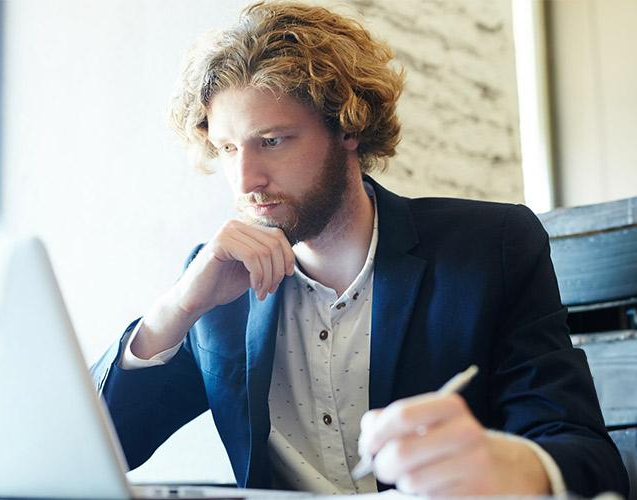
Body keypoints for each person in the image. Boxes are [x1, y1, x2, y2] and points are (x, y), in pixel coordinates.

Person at [90, 1, 629, 497]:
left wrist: (504, 465)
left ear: (348, 127)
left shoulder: (493, 248)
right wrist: (177, 308)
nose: (245, 179)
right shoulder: (216, 286)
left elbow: (589, 463)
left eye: (271, 141)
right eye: (228, 148)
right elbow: (106, 447)